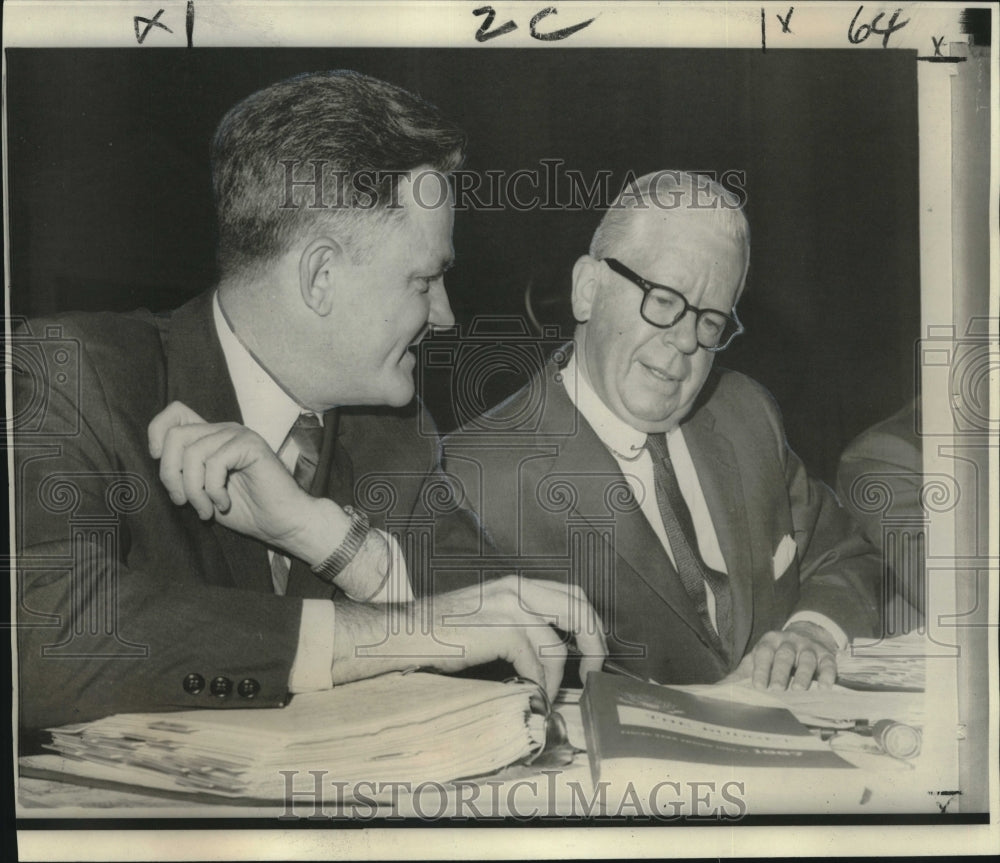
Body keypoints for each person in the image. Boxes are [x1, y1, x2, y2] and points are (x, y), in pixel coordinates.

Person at [13, 70, 605, 734]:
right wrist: (389, 635)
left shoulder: (393, 433)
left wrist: (335, 543)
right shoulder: (74, 375)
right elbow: (39, 642)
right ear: (321, 277)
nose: (444, 316)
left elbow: (533, 637)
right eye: (427, 278)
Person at [441, 171, 881, 691]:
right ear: (587, 290)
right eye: (665, 301)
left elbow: (844, 557)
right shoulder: (471, 480)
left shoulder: (746, 413)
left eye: (711, 321)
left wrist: (811, 634)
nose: (686, 341)